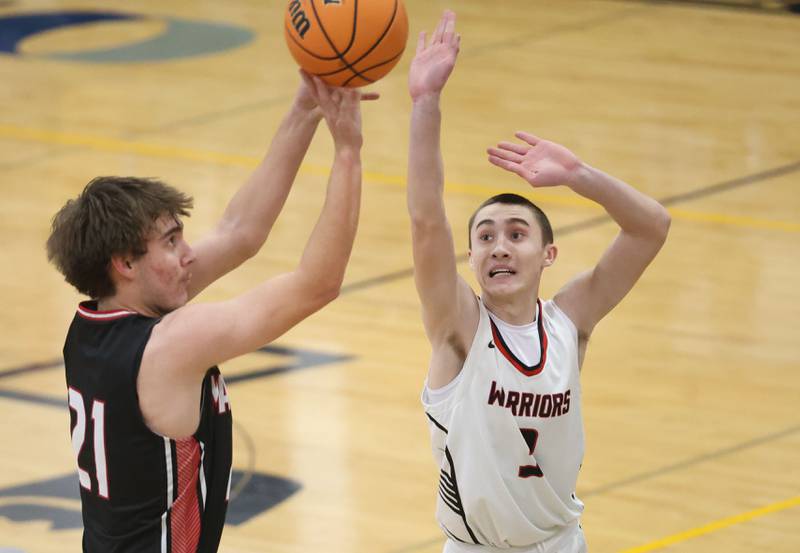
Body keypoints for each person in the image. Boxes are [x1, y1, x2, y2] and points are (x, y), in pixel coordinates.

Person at [46, 73, 374, 553]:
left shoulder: (96, 321)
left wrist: (306, 109)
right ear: (125, 264)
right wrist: (348, 153)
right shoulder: (172, 345)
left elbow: (241, 231)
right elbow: (317, 284)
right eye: (171, 242)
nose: (189, 255)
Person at [407, 11, 671, 553]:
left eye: (516, 233)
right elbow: (426, 219)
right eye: (484, 236)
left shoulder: (570, 321)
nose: (499, 245)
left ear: (548, 253)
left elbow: (651, 227)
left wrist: (579, 176)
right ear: (472, 256)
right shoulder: (459, 326)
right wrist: (425, 104)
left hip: (560, 544)